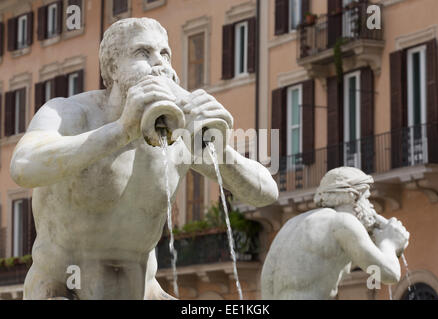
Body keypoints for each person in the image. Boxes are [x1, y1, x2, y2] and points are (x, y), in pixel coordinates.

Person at [10, 18, 278, 300]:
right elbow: (24, 166)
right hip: (60, 289)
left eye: (165, 54)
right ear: (113, 68)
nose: (160, 64)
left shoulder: (177, 130)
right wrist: (121, 130)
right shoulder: (71, 113)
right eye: (143, 53)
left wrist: (218, 150)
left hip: (143, 292)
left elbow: (266, 193)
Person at [261, 167, 409, 299]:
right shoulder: (342, 222)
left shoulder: (292, 224)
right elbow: (390, 273)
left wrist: (377, 231)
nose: (370, 206)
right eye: (367, 198)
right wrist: (389, 243)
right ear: (354, 196)